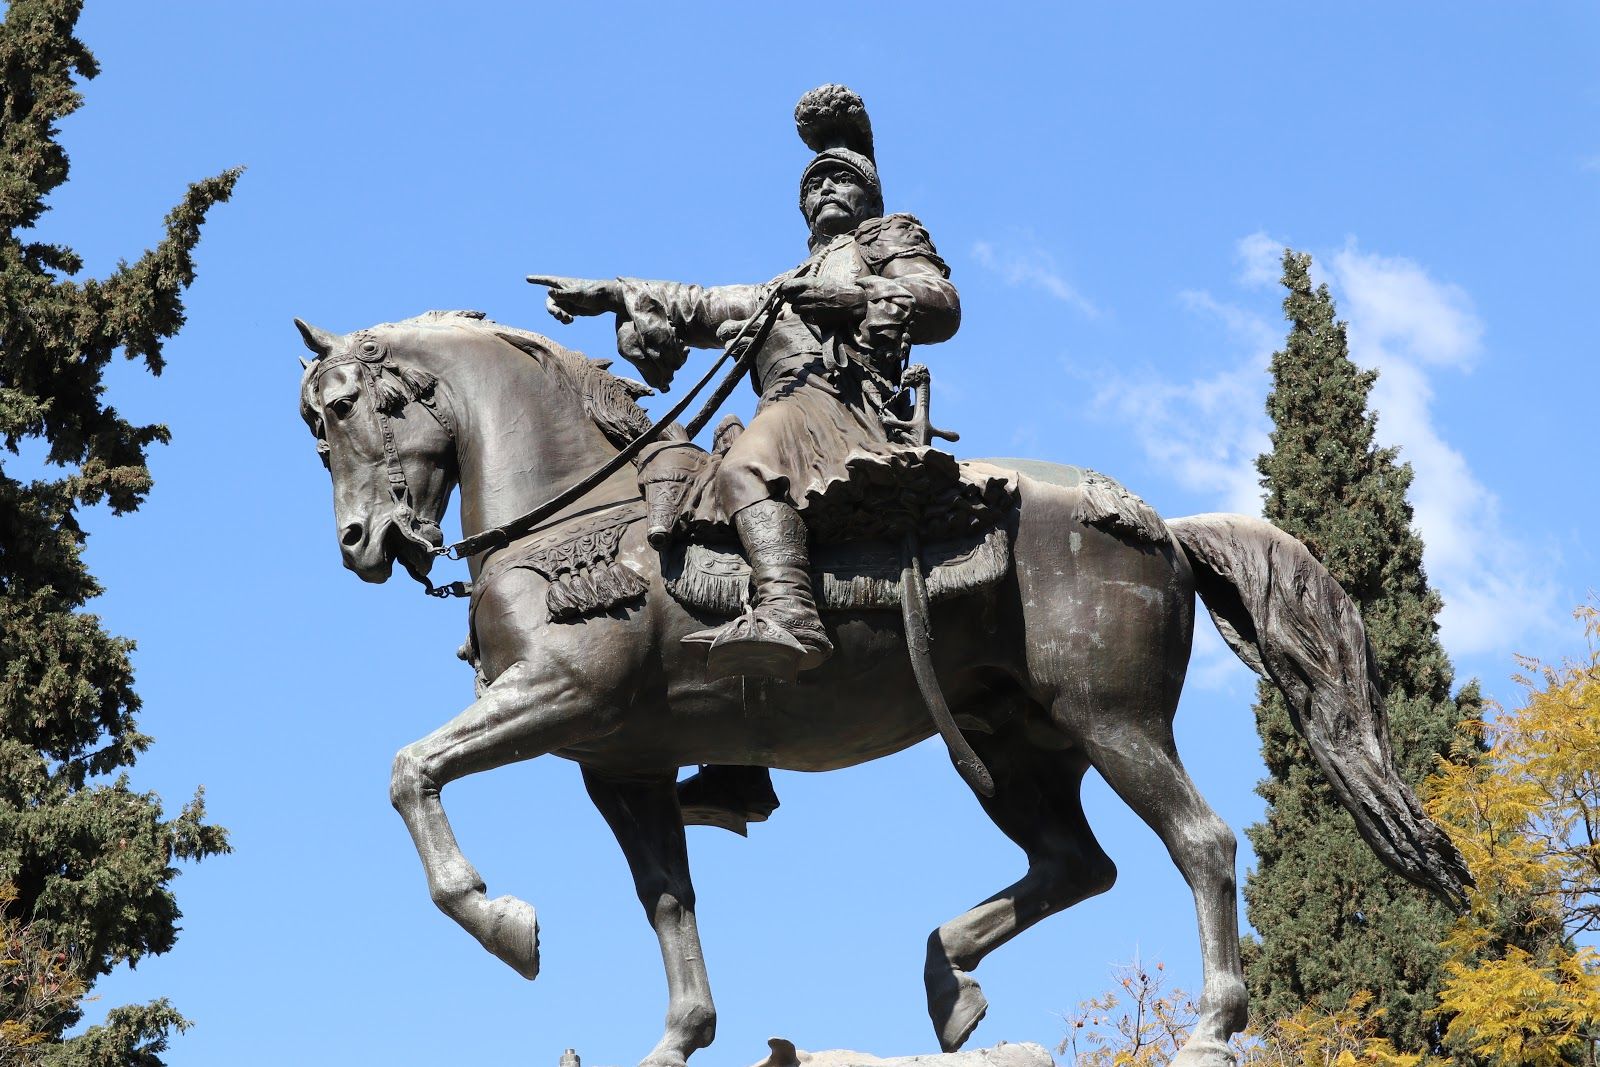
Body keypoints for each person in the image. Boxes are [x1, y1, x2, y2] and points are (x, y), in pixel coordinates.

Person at [540, 84, 960, 684]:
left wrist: (849, 296)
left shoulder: (883, 241)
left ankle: (791, 613)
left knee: (744, 470)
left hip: (840, 403)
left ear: (870, 193)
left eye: (840, 180)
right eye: (812, 186)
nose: (824, 191)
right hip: (786, 403)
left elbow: (941, 305)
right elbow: (700, 303)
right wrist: (612, 292)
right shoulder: (787, 279)